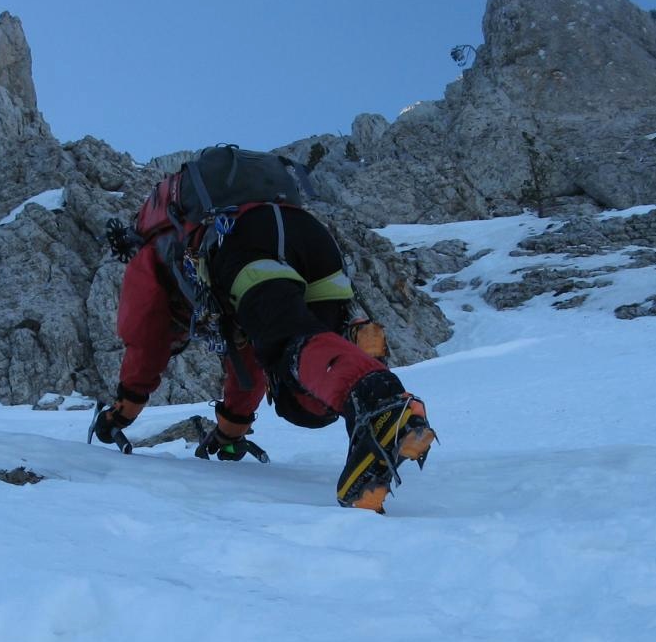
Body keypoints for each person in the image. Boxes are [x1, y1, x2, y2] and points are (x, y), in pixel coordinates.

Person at [91, 169, 435, 513]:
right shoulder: (206, 268)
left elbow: (145, 339)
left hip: (246, 239)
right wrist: (228, 434)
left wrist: (120, 414)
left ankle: (379, 403)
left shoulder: (152, 253)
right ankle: (354, 343)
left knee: (288, 340)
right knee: (300, 401)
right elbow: (251, 367)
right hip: (312, 237)